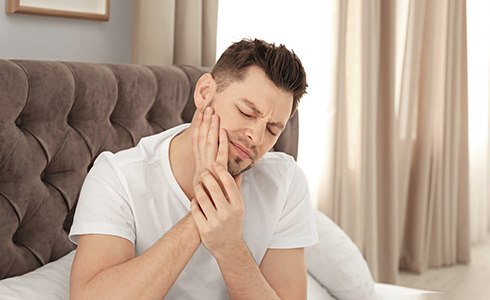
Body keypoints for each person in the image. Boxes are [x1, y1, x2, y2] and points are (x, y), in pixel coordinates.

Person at [69, 38, 318, 300]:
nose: (256, 137)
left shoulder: (286, 182)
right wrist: (202, 215)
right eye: (246, 112)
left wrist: (229, 246)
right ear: (204, 92)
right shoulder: (118, 177)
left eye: (271, 130)